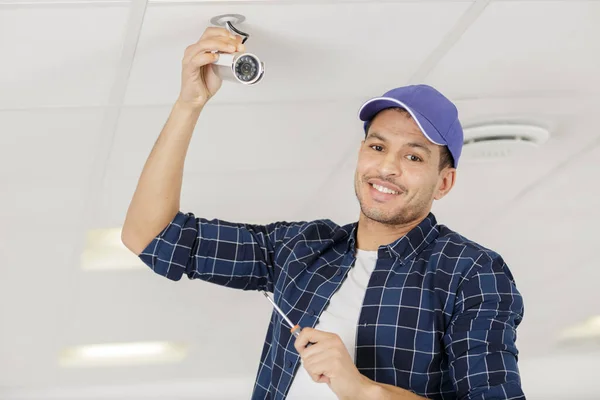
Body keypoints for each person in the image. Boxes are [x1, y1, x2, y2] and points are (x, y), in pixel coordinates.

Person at [121, 26, 526, 400]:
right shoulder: (302, 248)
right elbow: (151, 237)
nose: (386, 168)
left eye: (414, 156)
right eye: (378, 147)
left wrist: (362, 390)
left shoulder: (472, 273)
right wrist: (189, 103)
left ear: (443, 183)